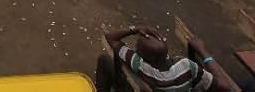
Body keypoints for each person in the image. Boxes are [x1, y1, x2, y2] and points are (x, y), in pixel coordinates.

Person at [95, 25, 227, 92]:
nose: (135, 50)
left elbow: (111, 37)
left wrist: (135, 29)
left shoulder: (143, 68)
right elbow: (224, 87)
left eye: (138, 50)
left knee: (104, 60)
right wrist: (202, 51)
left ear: (147, 58)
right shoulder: (186, 66)